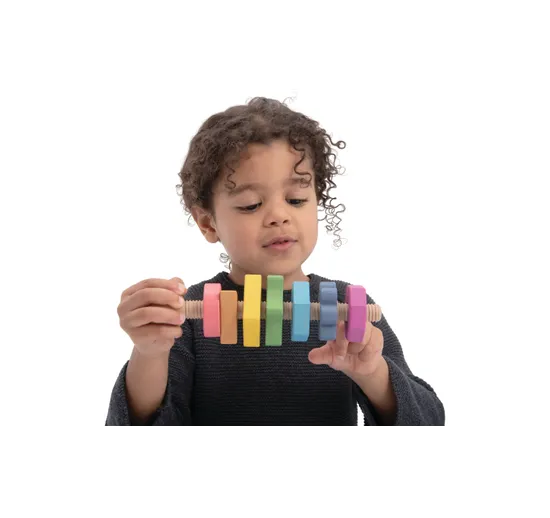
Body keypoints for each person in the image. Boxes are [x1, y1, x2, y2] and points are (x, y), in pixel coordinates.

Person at [105, 97, 445, 433]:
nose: (279, 216)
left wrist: (373, 374)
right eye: (251, 205)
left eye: (296, 199)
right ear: (208, 223)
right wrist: (149, 352)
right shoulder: (188, 317)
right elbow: (136, 425)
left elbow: (428, 422)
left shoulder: (349, 308)